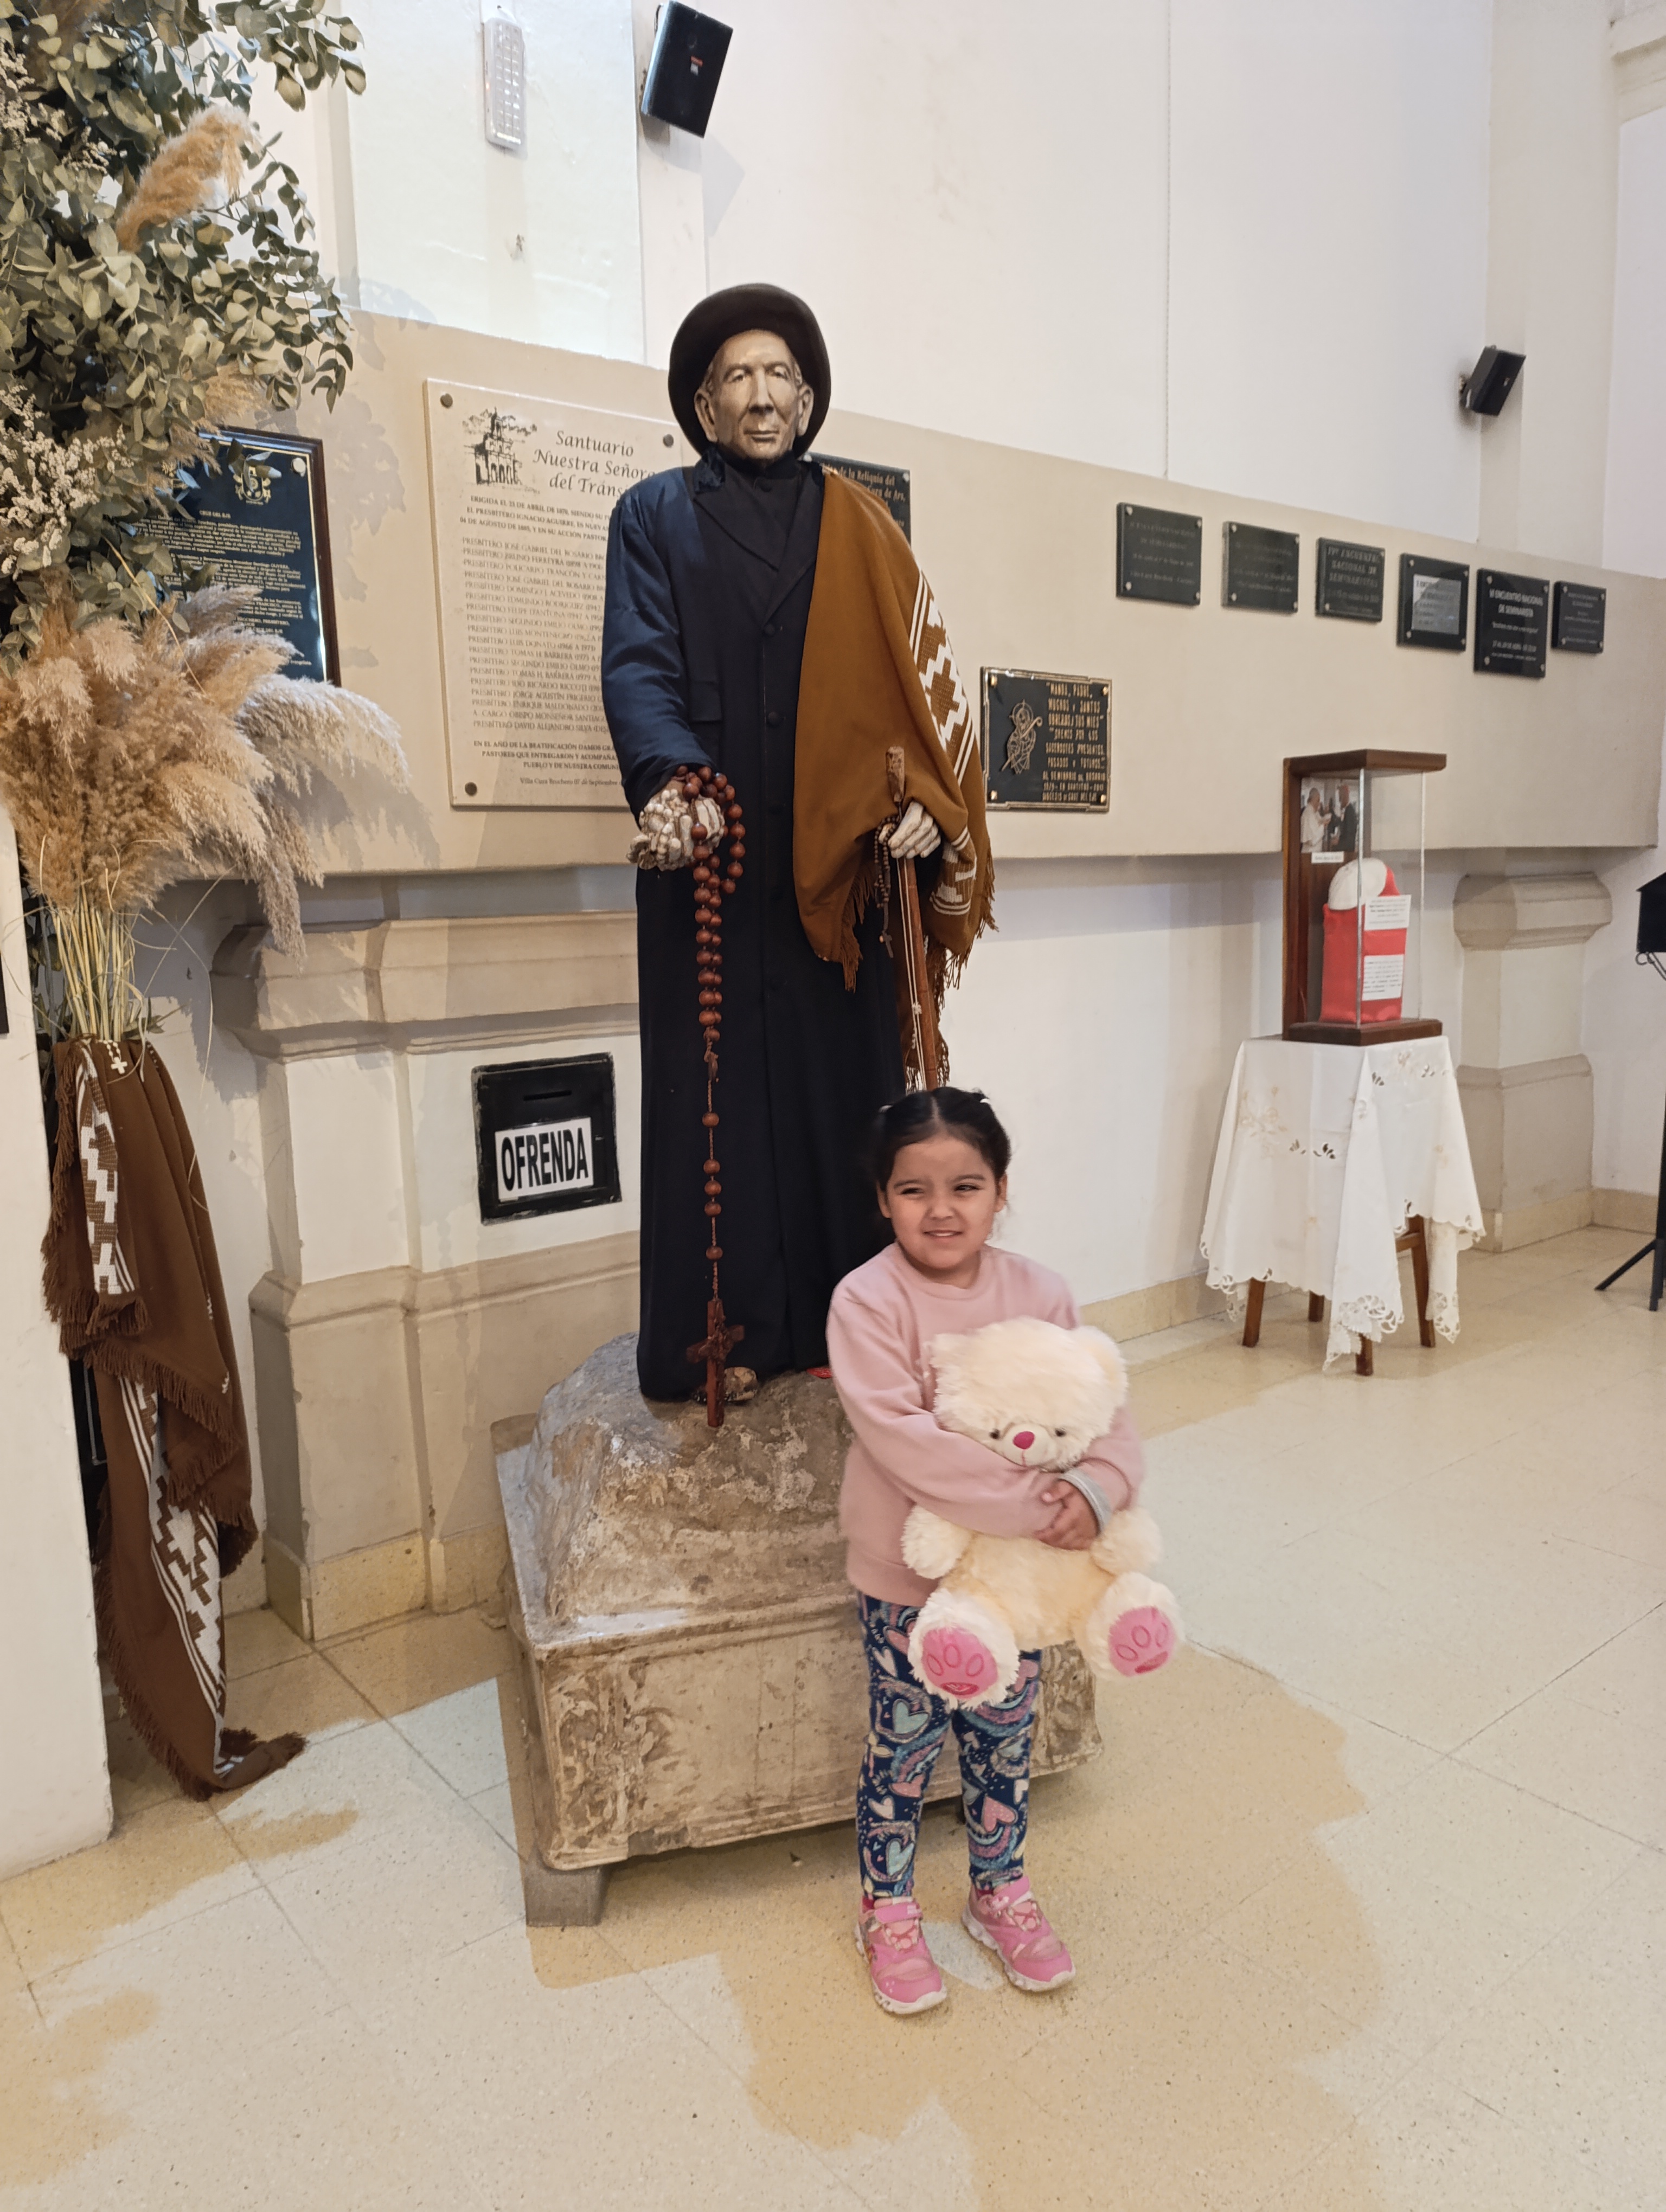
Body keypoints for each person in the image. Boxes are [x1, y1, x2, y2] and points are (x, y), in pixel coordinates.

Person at [602, 284, 992, 1401]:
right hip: (711, 860)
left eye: (780, 375)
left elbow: (920, 691)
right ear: (704, 407)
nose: (762, 395)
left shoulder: (864, 526)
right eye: (737, 377)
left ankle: (852, 1330)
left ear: (810, 399)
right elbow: (639, 664)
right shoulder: (653, 517)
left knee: (846, 1097)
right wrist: (675, 785)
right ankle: (715, 1339)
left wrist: (929, 801)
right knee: (710, 1097)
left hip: (844, 871)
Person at [825, 1088, 1146, 2015]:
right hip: (909, 1576)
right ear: (883, 1199)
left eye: (965, 1186)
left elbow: (1103, 1414)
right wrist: (1036, 1507)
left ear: (1001, 1190)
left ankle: (999, 1891)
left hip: (1021, 1586)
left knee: (1004, 1740)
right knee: (904, 1744)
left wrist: (1097, 1491)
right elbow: (905, 1443)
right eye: (913, 1190)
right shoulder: (866, 1301)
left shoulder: (1043, 1294)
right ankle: (888, 1912)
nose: (941, 1210)